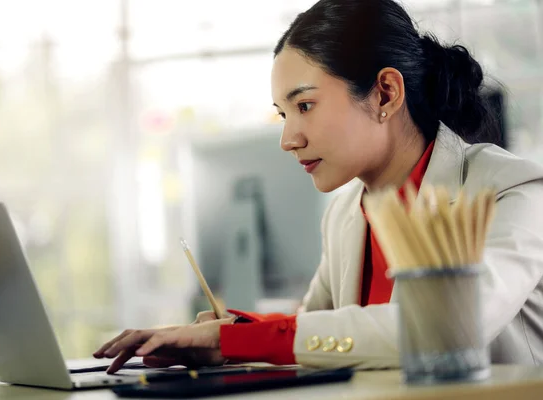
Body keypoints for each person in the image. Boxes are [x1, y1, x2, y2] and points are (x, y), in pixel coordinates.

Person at [94, 0, 543, 372]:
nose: (289, 140)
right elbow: (321, 333)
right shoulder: (348, 214)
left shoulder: (513, 192)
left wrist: (239, 340)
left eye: (305, 105)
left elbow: (448, 329)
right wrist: (230, 332)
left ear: (385, 93)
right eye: (284, 114)